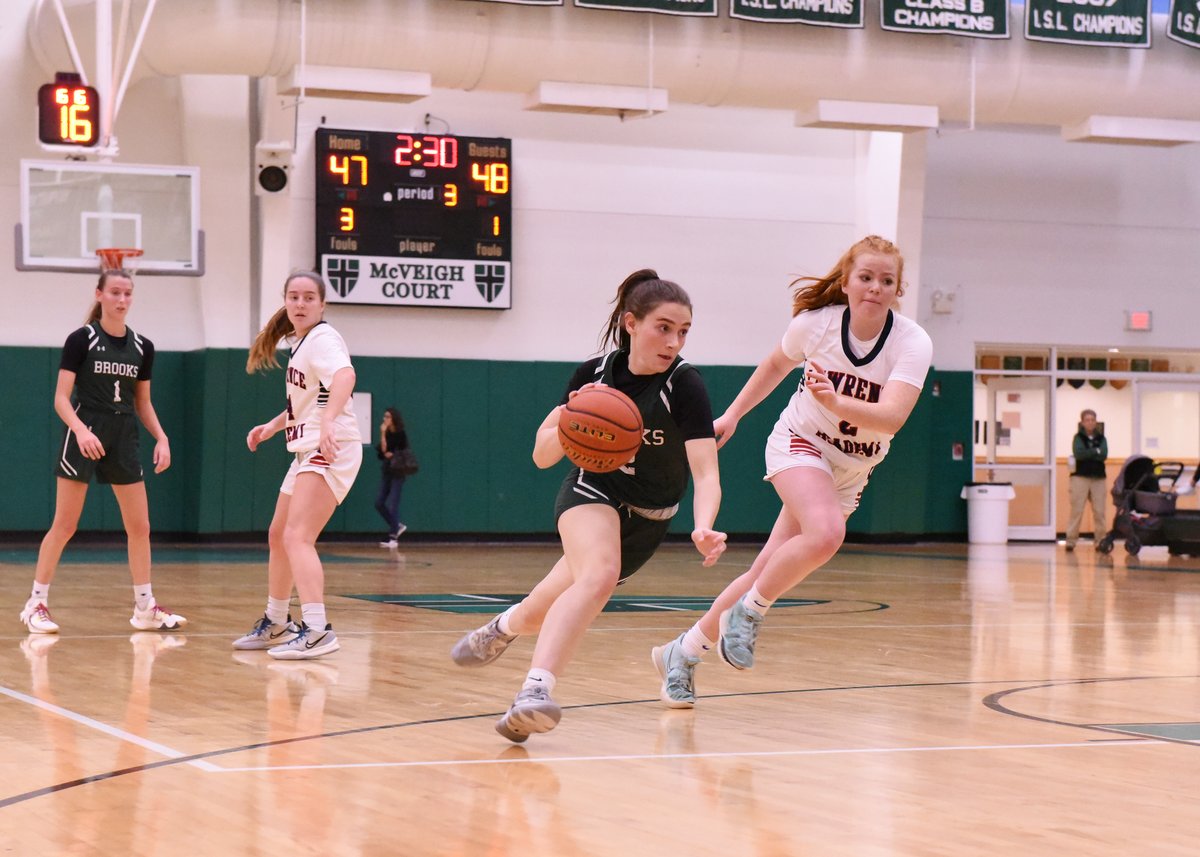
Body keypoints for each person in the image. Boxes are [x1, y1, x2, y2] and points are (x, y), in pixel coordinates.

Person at [650, 235, 932, 708]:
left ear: (897, 291)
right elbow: (775, 365)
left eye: (887, 281)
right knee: (826, 534)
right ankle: (751, 614)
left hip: (853, 467)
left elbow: (892, 417)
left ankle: (682, 652)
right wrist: (734, 415)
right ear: (846, 282)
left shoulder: (911, 342)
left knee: (766, 569)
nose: (875, 288)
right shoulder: (816, 326)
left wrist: (835, 400)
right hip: (801, 444)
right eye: (866, 277)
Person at [450, 269, 727, 742]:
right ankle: (535, 692)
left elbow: (705, 472)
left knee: (548, 604)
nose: (674, 341)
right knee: (597, 577)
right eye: (663, 327)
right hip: (592, 490)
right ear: (631, 323)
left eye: (683, 332)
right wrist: (571, 420)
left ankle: (505, 625)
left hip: (650, 517)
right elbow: (541, 456)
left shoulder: (685, 386)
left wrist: (704, 525)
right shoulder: (593, 377)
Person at [19, 269, 186, 634]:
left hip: (123, 432)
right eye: (115, 292)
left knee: (139, 526)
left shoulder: (143, 347)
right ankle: (36, 603)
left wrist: (162, 437)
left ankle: (145, 607)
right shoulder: (82, 340)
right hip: (87, 427)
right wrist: (79, 431)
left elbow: (143, 402)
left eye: (127, 293)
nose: (122, 300)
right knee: (65, 524)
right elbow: (61, 399)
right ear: (99, 294)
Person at [233, 271, 362, 660]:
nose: (301, 304)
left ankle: (319, 630)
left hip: (332, 444)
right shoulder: (301, 344)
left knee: (297, 536)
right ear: (286, 302)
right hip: (307, 446)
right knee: (278, 534)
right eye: (294, 297)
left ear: (322, 305)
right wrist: (273, 426)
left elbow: (345, 375)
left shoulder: (323, 339)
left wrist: (328, 420)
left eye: (309, 297)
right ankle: (276, 621)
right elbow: (304, 402)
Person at [1065, 409, 1107, 551]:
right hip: (1080, 478)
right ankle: (1071, 540)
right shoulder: (1077, 438)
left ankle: (1100, 540)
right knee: (1077, 510)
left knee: (1099, 511)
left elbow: (1104, 454)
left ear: (1096, 422)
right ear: (1082, 422)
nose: (1090, 422)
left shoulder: (1102, 438)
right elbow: (1079, 454)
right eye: (1087, 420)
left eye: (1092, 420)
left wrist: (1092, 453)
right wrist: (1095, 451)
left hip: (1098, 479)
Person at [376, 407, 409, 548]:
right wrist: (382, 433)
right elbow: (381, 452)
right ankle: (397, 526)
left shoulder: (401, 434)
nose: (385, 419)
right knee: (379, 503)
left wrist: (394, 455)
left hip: (398, 472)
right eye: (384, 416)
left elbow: (405, 452)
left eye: (388, 417)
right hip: (387, 471)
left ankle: (393, 538)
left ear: (394, 418)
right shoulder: (387, 433)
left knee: (393, 504)